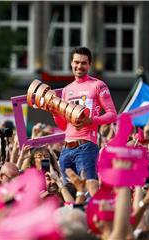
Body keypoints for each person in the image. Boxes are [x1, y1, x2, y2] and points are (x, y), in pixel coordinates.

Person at [52, 46, 117, 195]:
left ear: (89, 65)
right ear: (71, 63)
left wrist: (91, 121)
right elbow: (64, 126)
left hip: (86, 147)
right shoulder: (66, 90)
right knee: (68, 191)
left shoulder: (98, 85)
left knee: (88, 191)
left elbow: (112, 115)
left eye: (83, 63)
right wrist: (55, 114)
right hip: (66, 148)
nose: (79, 66)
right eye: (76, 62)